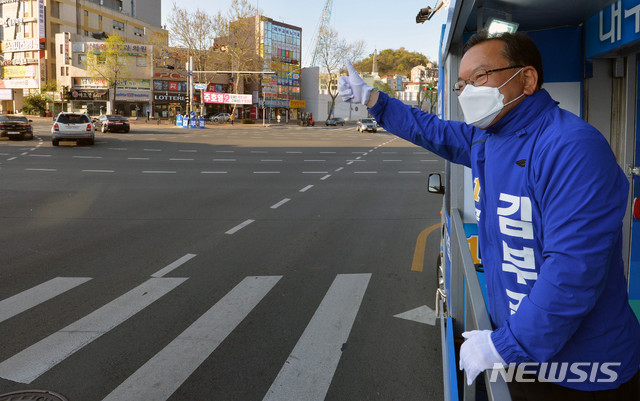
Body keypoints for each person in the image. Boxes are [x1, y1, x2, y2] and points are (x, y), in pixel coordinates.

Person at [339, 31, 640, 400]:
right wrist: (375, 101)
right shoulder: (488, 136)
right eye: (461, 84)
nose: (466, 92)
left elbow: (573, 271)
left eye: (479, 77)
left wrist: (506, 345)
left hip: (582, 371)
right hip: (520, 352)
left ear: (526, 79)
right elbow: (434, 131)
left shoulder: (571, 147)